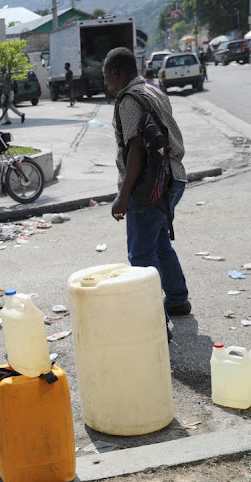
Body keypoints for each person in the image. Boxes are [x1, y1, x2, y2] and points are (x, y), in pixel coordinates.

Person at [103, 47, 191, 329]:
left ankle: (154, 324)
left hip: (149, 186)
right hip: (175, 178)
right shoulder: (153, 90)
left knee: (141, 254)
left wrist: (123, 195)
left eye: (107, 78)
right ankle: (177, 298)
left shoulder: (128, 100)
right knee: (160, 242)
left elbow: (137, 151)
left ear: (116, 73)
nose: (107, 84)